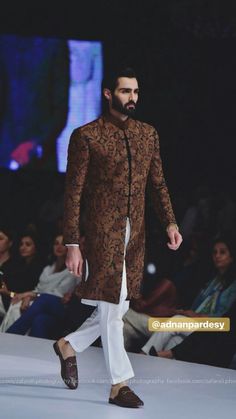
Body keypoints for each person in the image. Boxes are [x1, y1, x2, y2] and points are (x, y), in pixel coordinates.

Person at [53, 66, 182, 408]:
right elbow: (73, 193)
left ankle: (69, 345)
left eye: (135, 92)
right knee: (112, 305)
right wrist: (72, 242)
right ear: (109, 94)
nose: (132, 98)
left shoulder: (147, 134)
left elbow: (157, 183)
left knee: (121, 303)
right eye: (125, 91)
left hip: (135, 233)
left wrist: (170, 222)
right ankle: (119, 384)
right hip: (100, 234)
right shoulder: (87, 136)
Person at [140, 235, 236, 356]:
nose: (217, 256)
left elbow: (225, 319)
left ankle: (144, 354)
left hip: (216, 329)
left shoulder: (233, 287)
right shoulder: (213, 281)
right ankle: (157, 365)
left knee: (176, 321)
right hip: (199, 325)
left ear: (232, 256)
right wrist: (189, 313)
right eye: (215, 252)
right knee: (175, 341)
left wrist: (194, 315)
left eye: (222, 252)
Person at [5, 234, 78, 338]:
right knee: (40, 320)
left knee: (45, 299)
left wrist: (29, 294)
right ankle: (30, 351)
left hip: (61, 308)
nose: (59, 247)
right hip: (45, 308)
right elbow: (39, 289)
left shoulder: (72, 270)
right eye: (56, 243)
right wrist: (29, 296)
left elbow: (57, 295)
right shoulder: (48, 268)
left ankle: (9, 336)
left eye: (63, 244)